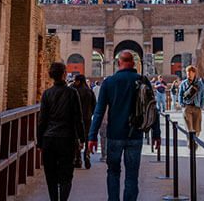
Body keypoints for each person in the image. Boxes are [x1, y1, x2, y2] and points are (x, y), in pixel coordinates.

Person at [89, 52, 151, 201]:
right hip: (135, 135)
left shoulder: (109, 82)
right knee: (132, 175)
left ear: (118, 63)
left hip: (114, 134)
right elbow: (151, 108)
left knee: (113, 172)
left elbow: (99, 111)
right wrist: (155, 133)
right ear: (134, 63)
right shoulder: (142, 80)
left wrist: (92, 136)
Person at [36, 62, 85, 201]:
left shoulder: (46, 94)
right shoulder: (72, 92)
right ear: (64, 74)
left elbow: (42, 120)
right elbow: (78, 118)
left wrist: (39, 142)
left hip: (49, 139)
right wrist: (82, 139)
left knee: (51, 175)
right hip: (67, 139)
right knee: (66, 175)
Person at [72, 74, 96, 169]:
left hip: (76, 119)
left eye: (75, 80)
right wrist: (90, 113)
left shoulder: (74, 91)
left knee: (77, 138)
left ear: (79, 81)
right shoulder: (89, 91)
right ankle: (87, 155)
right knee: (86, 138)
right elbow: (94, 105)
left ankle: (78, 159)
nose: (74, 82)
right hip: (87, 118)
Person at [177, 65, 204, 134]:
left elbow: (203, 95)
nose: (189, 75)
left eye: (190, 73)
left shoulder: (199, 83)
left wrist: (201, 106)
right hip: (187, 107)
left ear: (194, 73)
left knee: (197, 129)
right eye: (188, 73)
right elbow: (180, 94)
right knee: (189, 129)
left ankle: (195, 143)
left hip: (197, 107)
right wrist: (182, 105)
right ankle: (190, 144)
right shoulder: (184, 83)